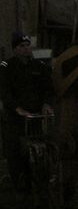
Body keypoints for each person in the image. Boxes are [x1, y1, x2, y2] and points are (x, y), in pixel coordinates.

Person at [0, 32, 55, 192]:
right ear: (15, 49)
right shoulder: (7, 67)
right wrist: (17, 109)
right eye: (21, 46)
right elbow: (4, 92)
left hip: (35, 119)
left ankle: (39, 185)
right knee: (15, 154)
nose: (26, 49)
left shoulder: (39, 67)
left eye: (27, 45)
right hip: (15, 120)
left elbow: (49, 89)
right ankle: (19, 188)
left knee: (40, 152)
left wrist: (47, 104)